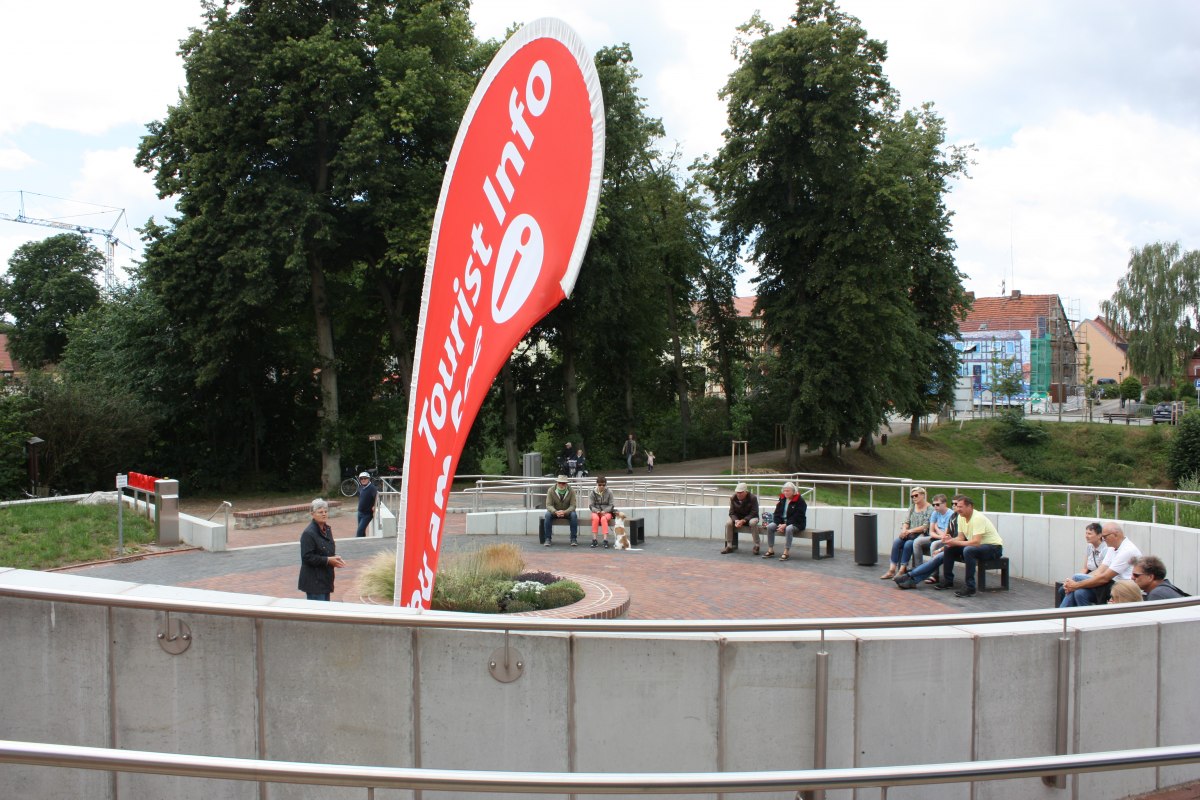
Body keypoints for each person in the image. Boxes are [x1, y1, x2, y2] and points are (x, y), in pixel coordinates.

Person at [935, 494, 1002, 597]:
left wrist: (954, 542)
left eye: (960, 507)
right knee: (949, 548)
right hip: (979, 546)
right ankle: (948, 581)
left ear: (970, 507)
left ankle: (970, 587)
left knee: (969, 550)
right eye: (957, 506)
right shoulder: (961, 517)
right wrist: (950, 540)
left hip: (993, 548)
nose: (957, 509)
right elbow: (960, 538)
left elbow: (976, 542)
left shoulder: (977, 518)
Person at [1059, 522, 1141, 607]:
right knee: (1080, 592)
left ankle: (1060, 616)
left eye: (1105, 536)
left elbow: (1105, 578)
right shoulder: (1112, 547)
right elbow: (1100, 571)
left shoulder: (1127, 550)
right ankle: (1085, 618)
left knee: (1076, 577)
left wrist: (1076, 585)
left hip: (1123, 588)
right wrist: (1075, 585)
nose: (1103, 539)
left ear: (1115, 535)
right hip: (1110, 585)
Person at [895, 498, 961, 590]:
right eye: (953, 503)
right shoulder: (955, 517)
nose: (954, 506)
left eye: (957, 504)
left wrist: (940, 547)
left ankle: (910, 575)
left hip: (960, 546)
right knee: (922, 546)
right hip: (950, 544)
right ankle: (913, 580)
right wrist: (941, 548)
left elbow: (957, 538)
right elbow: (947, 537)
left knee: (936, 557)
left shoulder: (960, 517)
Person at [298, 498, 346, 601]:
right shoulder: (308, 533)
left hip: (325, 580)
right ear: (312, 514)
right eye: (320, 512)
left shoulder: (326, 529)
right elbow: (307, 557)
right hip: (314, 583)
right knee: (318, 614)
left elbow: (326, 550)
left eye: (325, 511)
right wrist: (328, 560)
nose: (324, 514)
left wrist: (335, 558)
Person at [880, 487, 932, 581]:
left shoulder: (930, 509)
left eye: (916, 495)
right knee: (897, 542)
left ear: (923, 495)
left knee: (908, 544)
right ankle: (892, 570)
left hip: (921, 535)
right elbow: (906, 521)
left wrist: (909, 531)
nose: (914, 498)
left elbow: (925, 526)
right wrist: (904, 530)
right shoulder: (912, 507)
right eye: (912, 496)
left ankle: (902, 570)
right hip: (909, 533)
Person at [1054, 522, 1107, 605]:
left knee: (1075, 582)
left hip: (1098, 579)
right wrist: (1072, 582)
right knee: (1063, 589)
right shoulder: (1089, 546)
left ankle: (1061, 615)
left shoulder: (1105, 549)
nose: (1086, 536)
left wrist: (1075, 581)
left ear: (1099, 535)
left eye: (1089, 533)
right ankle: (1065, 614)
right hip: (1087, 576)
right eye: (1086, 533)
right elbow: (1085, 568)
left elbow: (1100, 572)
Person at [914, 493, 954, 582]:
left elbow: (946, 535)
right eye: (934, 505)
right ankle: (919, 569)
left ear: (944, 504)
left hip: (946, 540)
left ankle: (934, 575)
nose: (935, 507)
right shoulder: (935, 513)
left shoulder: (950, 514)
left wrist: (936, 527)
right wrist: (937, 531)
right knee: (917, 541)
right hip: (937, 536)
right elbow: (931, 532)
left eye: (937, 504)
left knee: (934, 545)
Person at [764, 481, 807, 561]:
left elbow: (798, 516)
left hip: (797, 523)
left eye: (788, 491)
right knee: (770, 526)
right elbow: (776, 513)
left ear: (793, 491)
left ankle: (786, 551)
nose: (786, 492)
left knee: (789, 528)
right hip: (782, 522)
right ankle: (770, 549)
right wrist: (778, 523)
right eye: (784, 490)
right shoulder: (782, 499)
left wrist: (786, 524)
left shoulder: (800, 501)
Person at [721, 482, 760, 554]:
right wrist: (736, 520)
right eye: (737, 492)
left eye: (741, 492)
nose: (738, 494)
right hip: (738, 518)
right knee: (728, 523)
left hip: (751, 517)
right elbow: (731, 513)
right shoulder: (733, 498)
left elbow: (754, 512)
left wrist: (744, 520)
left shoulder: (753, 498)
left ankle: (756, 545)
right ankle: (729, 546)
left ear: (746, 492)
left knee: (753, 523)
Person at [544, 474, 579, 546]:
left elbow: (573, 506)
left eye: (563, 483)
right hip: (555, 512)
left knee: (574, 515)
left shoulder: (571, 491)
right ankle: (548, 539)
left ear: (566, 483)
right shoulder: (551, 490)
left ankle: (573, 539)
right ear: (557, 483)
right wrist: (555, 511)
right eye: (559, 482)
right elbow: (548, 505)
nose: (561, 484)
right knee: (547, 515)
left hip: (567, 512)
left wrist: (565, 512)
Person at [588, 476, 615, 548]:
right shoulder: (592, 493)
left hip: (607, 512)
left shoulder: (609, 492)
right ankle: (594, 540)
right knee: (595, 519)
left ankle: (605, 540)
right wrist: (597, 511)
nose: (601, 486)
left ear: (606, 484)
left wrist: (605, 511)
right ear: (597, 484)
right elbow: (591, 506)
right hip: (596, 511)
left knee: (603, 519)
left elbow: (611, 505)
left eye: (603, 485)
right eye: (600, 485)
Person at [354, 471, 378, 538]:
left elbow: (378, 498)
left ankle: (357, 544)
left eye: (365, 478)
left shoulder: (372, 488)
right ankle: (363, 544)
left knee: (359, 531)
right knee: (362, 530)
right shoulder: (361, 487)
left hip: (367, 514)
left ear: (369, 479)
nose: (363, 480)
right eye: (361, 479)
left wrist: (375, 505)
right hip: (360, 512)